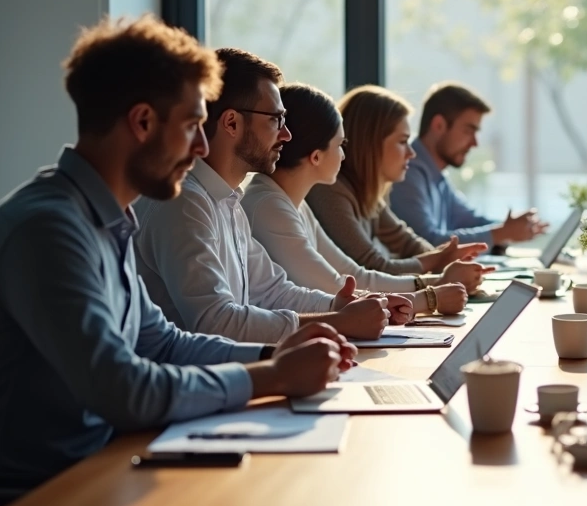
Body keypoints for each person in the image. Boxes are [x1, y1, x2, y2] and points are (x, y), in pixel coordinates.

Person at [0, 16, 354, 490]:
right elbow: (123, 390)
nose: (202, 146)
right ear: (142, 123)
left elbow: (162, 344)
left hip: (95, 471)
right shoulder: (47, 230)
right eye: (193, 126)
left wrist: (272, 352)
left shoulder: (105, 220)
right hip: (29, 505)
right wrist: (271, 376)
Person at [134, 48, 412, 344]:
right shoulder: (185, 203)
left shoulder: (227, 201)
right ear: (231, 123)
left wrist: (343, 306)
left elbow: (271, 292)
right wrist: (338, 322)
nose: (286, 135)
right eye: (276, 120)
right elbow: (215, 321)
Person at [242, 83, 470, 316]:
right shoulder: (269, 206)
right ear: (316, 156)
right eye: (341, 145)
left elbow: (353, 274)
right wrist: (428, 296)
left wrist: (435, 283)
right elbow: (335, 288)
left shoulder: (293, 203)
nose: (344, 155)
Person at [305, 84, 491, 291]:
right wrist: (438, 264)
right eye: (403, 141)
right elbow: (373, 267)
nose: (411, 153)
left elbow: (408, 243)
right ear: (371, 144)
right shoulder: (330, 190)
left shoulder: (368, 194)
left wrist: (447, 260)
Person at [388, 81, 548, 248]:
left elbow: (470, 221)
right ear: (439, 125)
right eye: (468, 131)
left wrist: (511, 229)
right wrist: (502, 233)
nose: (474, 143)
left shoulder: (436, 176)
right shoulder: (407, 172)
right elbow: (427, 243)